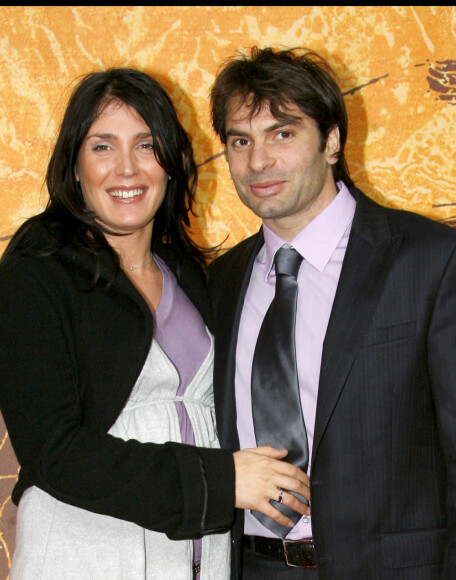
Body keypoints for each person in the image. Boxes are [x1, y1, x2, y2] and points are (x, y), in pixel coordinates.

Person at [208, 47, 456, 579]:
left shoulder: (431, 260)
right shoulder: (219, 279)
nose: (258, 162)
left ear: (331, 141)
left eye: (282, 133)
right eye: (241, 140)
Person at [0, 67, 310, 580]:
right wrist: (220, 481)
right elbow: (53, 451)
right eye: (102, 146)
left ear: (171, 162)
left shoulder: (191, 274)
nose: (127, 169)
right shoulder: (35, 273)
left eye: (145, 146)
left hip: (197, 561)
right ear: (74, 164)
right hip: (85, 555)